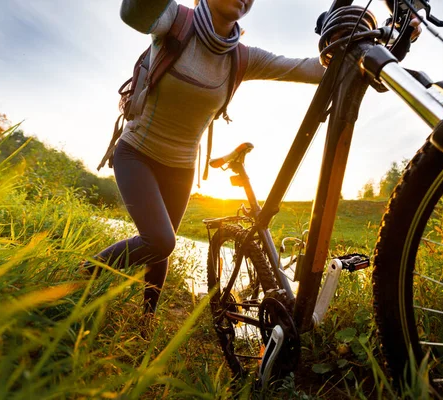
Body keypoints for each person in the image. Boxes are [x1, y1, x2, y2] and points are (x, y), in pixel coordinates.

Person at [84, 0, 326, 321]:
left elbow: (309, 69)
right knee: (160, 240)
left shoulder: (241, 57)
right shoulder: (173, 20)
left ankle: (147, 318)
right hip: (136, 153)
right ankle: (85, 273)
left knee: (161, 249)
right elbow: (134, 13)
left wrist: (371, 49)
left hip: (181, 167)